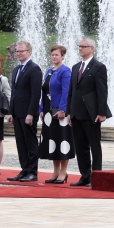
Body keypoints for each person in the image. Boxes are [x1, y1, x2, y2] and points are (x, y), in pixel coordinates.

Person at [67, 37, 112, 187]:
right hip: (76, 113)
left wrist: (101, 112)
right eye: (79, 46)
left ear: (92, 49)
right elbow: (72, 91)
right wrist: (69, 112)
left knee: (94, 145)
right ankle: (85, 176)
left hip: (91, 113)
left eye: (84, 46)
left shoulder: (98, 67)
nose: (80, 49)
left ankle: (97, 177)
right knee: (80, 147)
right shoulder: (75, 67)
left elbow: (102, 91)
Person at [7, 40, 43, 182]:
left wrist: (30, 113)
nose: (19, 54)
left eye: (22, 51)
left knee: (30, 142)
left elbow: (36, 94)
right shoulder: (16, 70)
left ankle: (32, 172)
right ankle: (24, 169)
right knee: (20, 143)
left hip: (28, 112)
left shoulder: (34, 69)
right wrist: (11, 112)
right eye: (17, 51)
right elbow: (14, 92)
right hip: (17, 112)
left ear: (29, 52)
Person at [39, 45, 74, 184]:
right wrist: (41, 108)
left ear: (63, 56)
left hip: (59, 111)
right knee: (52, 141)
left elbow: (66, 91)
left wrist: (62, 109)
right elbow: (44, 91)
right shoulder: (49, 71)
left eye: (57, 55)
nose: (54, 57)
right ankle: (55, 171)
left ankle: (63, 172)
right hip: (48, 110)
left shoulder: (65, 71)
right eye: (52, 55)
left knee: (62, 141)